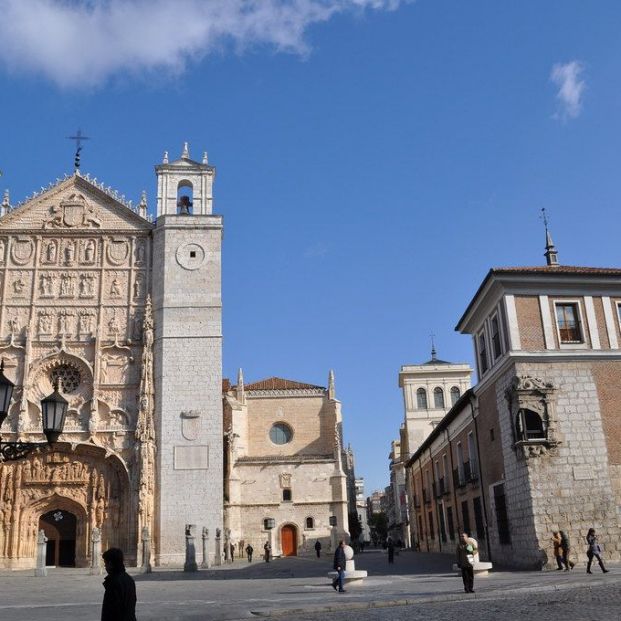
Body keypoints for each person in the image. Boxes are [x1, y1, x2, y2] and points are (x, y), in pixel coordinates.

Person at [101, 547, 137, 621]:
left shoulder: (114, 582)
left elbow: (111, 611)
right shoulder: (129, 579)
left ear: (110, 564)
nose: (105, 567)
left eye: (105, 564)